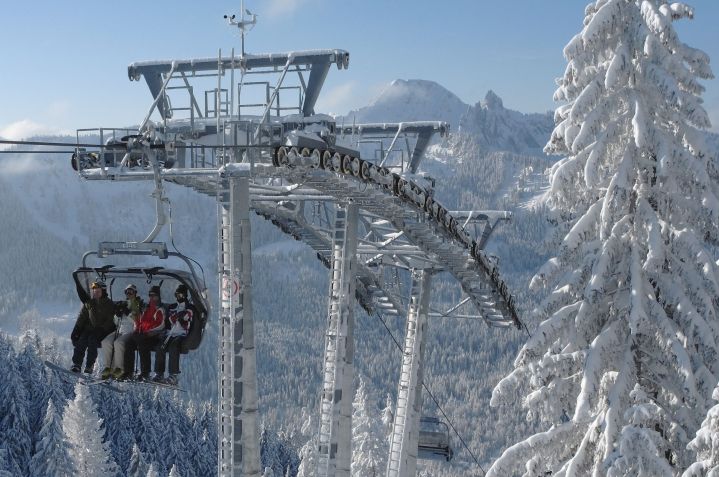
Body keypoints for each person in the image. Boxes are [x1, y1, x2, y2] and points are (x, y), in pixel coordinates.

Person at [154, 284, 196, 386]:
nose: (178, 297)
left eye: (181, 295)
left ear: (185, 295)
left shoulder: (189, 306)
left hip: (181, 334)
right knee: (160, 347)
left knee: (174, 346)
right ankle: (159, 373)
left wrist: (182, 316)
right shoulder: (173, 306)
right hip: (170, 333)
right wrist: (174, 317)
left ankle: (173, 375)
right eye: (177, 295)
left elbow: (188, 315)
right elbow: (168, 319)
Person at [70, 281, 116, 373]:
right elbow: (82, 316)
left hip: (102, 331)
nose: (95, 293)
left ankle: (89, 366)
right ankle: (77, 364)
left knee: (92, 340)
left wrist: (102, 329)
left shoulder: (109, 304)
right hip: (90, 329)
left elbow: (110, 320)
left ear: (103, 292)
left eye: (98, 291)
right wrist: (77, 329)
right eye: (94, 291)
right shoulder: (90, 303)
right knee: (81, 340)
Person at [121, 285, 166, 381]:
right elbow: (140, 321)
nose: (152, 297)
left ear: (158, 296)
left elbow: (160, 325)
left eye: (154, 295)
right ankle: (128, 371)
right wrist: (138, 330)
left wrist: (147, 332)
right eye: (150, 295)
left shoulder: (160, 309)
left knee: (143, 344)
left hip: (154, 336)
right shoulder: (146, 308)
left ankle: (145, 372)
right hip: (143, 334)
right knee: (129, 343)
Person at [99, 283, 143, 380]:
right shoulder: (123, 303)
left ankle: (119, 368)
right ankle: (108, 367)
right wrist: (117, 314)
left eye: (131, 292)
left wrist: (127, 313)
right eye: (127, 292)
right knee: (105, 342)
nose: (129, 294)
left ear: (135, 293)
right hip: (120, 329)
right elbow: (116, 321)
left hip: (131, 330)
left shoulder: (138, 304)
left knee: (119, 343)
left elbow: (137, 320)